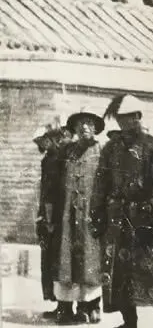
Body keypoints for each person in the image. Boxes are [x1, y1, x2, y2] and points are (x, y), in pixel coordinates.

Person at [90, 94, 153, 328]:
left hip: (145, 219)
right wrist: (96, 213)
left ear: (138, 117)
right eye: (120, 118)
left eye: (128, 117)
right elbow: (101, 182)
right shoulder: (111, 148)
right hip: (117, 219)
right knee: (119, 275)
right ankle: (129, 322)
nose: (123, 122)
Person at [53, 111, 106, 324]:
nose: (85, 127)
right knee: (66, 260)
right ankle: (65, 308)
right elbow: (54, 182)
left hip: (91, 216)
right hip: (67, 215)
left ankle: (90, 306)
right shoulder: (66, 151)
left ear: (95, 128)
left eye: (89, 123)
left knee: (90, 261)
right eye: (81, 123)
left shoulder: (102, 152)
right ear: (74, 128)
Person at [34, 124, 67, 319]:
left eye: (47, 140)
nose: (44, 144)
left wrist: (48, 217)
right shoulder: (48, 159)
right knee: (50, 261)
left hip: (55, 216)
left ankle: (63, 306)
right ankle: (59, 304)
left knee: (56, 261)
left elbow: (52, 193)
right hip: (48, 215)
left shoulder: (56, 159)